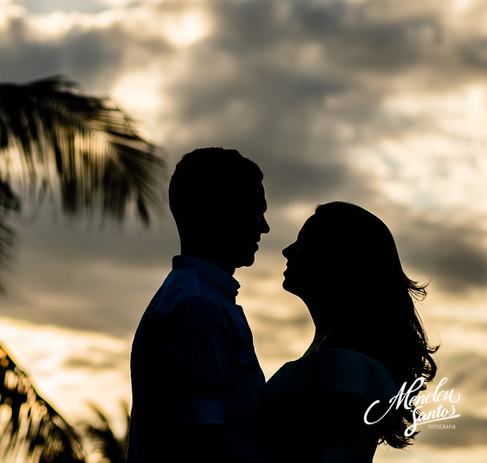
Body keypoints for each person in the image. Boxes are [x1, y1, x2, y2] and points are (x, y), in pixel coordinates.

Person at [263, 202, 438, 462]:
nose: (287, 251)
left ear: (338, 258)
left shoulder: (344, 362)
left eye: (303, 242)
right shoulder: (336, 353)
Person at [127, 147, 270, 463]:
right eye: (254, 211)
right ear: (220, 211)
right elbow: (199, 437)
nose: (264, 226)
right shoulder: (198, 305)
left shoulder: (196, 297)